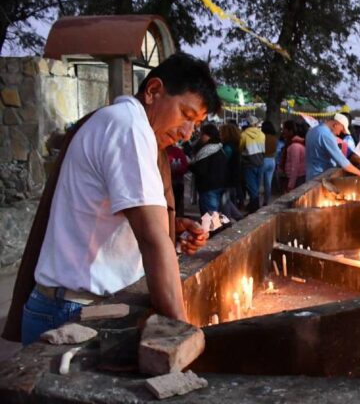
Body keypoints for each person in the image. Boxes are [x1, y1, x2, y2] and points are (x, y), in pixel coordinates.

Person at [4, 53, 220, 344]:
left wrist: (173, 225)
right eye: (186, 115)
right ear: (153, 90)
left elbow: (111, 213)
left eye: (196, 124)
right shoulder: (127, 126)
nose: (186, 133)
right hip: (72, 311)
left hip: (76, 303)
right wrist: (183, 335)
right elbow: (153, 241)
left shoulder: (125, 123)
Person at [190, 124, 228, 215]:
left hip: (208, 187)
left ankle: (214, 229)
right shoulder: (219, 147)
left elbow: (201, 170)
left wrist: (191, 166)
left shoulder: (207, 150)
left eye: (202, 134)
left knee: (210, 216)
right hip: (219, 185)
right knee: (216, 213)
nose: (200, 137)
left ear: (208, 135)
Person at [240, 116, 266, 212]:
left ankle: (254, 207)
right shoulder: (262, 134)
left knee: (251, 187)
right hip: (260, 162)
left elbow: (240, 148)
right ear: (255, 124)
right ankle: (254, 205)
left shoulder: (243, 135)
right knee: (257, 186)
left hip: (248, 163)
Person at [279, 119, 307, 191]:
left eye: (284, 129)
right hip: (295, 178)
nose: (283, 131)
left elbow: (295, 167)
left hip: (297, 179)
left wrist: (290, 185)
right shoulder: (292, 144)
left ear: (291, 131)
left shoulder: (295, 146)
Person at [259, 121, 279, 206]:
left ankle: (258, 202)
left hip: (263, 159)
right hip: (272, 160)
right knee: (268, 183)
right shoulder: (275, 138)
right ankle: (266, 201)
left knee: (260, 184)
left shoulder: (262, 137)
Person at [166, 144, 188, 217]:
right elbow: (185, 166)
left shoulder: (163, 152)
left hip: (172, 183)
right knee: (177, 204)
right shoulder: (179, 151)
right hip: (177, 182)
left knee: (172, 205)